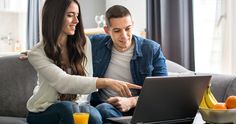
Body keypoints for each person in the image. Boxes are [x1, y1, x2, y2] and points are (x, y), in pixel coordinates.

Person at [26, 1, 141, 124]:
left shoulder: (84, 43)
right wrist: (107, 82)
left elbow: (85, 85)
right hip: (44, 110)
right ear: (55, 17)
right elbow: (62, 83)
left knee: (94, 116)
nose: (76, 21)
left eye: (77, 15)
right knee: (67, 109)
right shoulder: (36, 53)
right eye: (70, 15)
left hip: (76, 106)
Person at [89, 5, 168, 122]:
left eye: (128, 28)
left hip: (140, 107)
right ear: (107, 30)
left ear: (133, 25)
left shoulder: (152, 49)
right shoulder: (95, 44)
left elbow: (162, 90)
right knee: (103, 109)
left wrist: (131, 102)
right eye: (117, 30)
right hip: (106, 106)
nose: (124, 36)